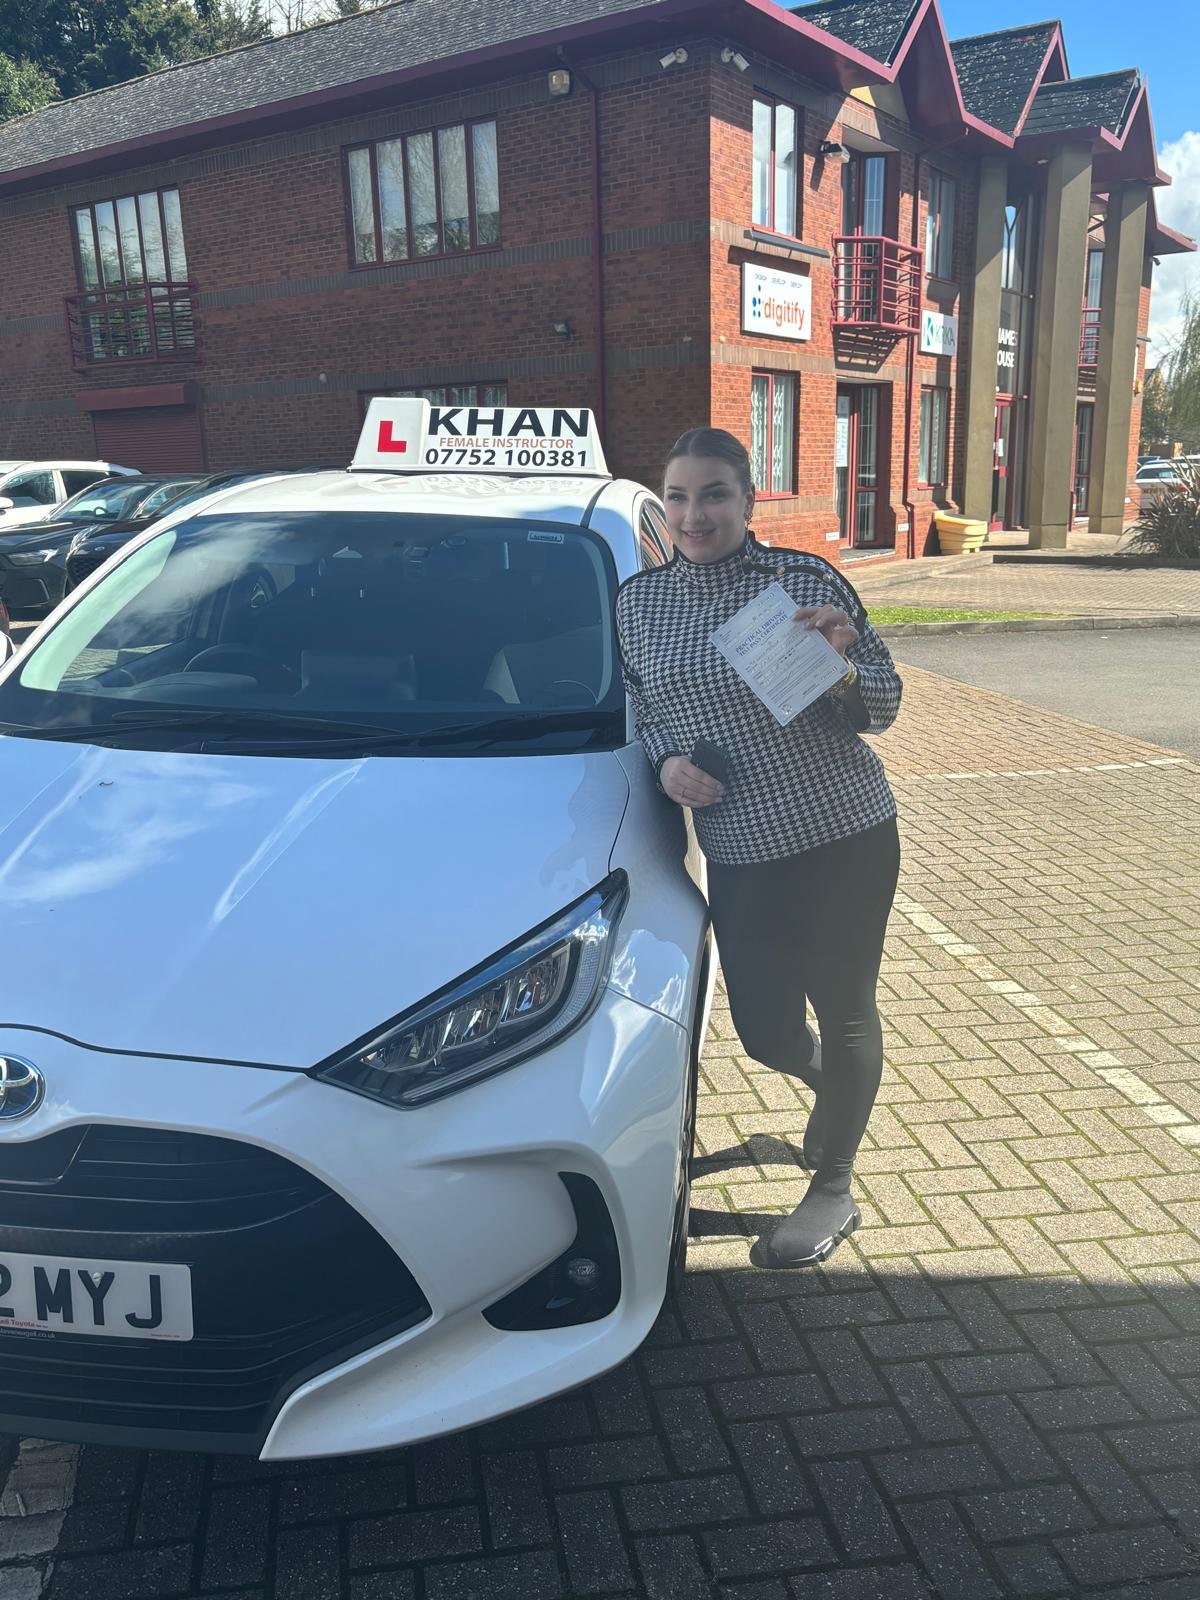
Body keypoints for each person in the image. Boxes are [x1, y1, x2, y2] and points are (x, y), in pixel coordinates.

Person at [615, 427, 902, 1268]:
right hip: (739, 846)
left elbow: (882, 705)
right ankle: (833, 1088)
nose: (693, 514)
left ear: (747, 500)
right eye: (677, 495)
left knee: (845, 1006)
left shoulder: (801, 579)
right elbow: (645, 706)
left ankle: (834, 1186)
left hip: (843, 832)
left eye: (713, 495)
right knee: (765, 1031)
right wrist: (666, 763)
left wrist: (843, 662)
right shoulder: (639, 603)